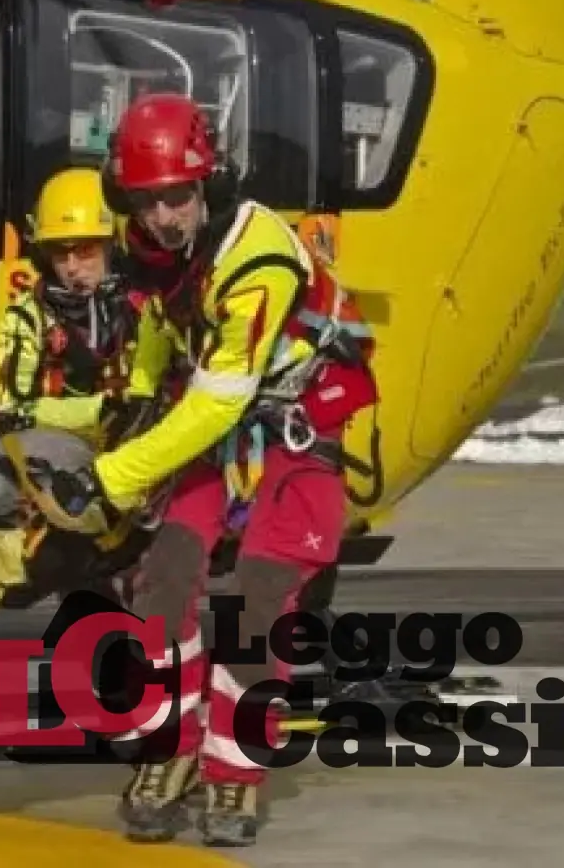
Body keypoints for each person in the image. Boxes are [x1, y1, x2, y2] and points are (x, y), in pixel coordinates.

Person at [41, 92, 378, 847]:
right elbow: (161, 318)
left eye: (177, 197)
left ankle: (235, 771)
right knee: (162, 579)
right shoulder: (147, 241)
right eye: (146, 200)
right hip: (214, 419)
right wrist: (136, 400)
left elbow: (220, 402)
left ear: (209, 184)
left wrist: (113, 476)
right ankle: (171, 748)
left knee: (261, 598)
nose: (163, 217)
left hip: (294, 423)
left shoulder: (258, 260)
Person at [0, 165, 143, 444]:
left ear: (113, 244)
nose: (71, 267)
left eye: (85, 250)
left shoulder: (145, 305)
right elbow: (8, 407)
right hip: (55, 452)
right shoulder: (28, 316)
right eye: (59, 251)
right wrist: (99, 410)